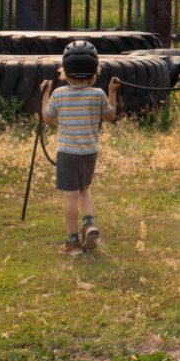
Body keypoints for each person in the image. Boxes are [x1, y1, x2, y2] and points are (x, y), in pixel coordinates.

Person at [39, 41, 120, 256]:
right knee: (84, 190)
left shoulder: (58, 95)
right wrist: (112, 91)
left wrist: (44, 93)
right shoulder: (98, 95)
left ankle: (72, 241)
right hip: (89, 153)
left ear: (65, 71)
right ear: (94, 72)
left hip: (67, 153)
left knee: (70, 196)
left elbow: (47, 118)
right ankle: (89, 223)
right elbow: (110, 115)